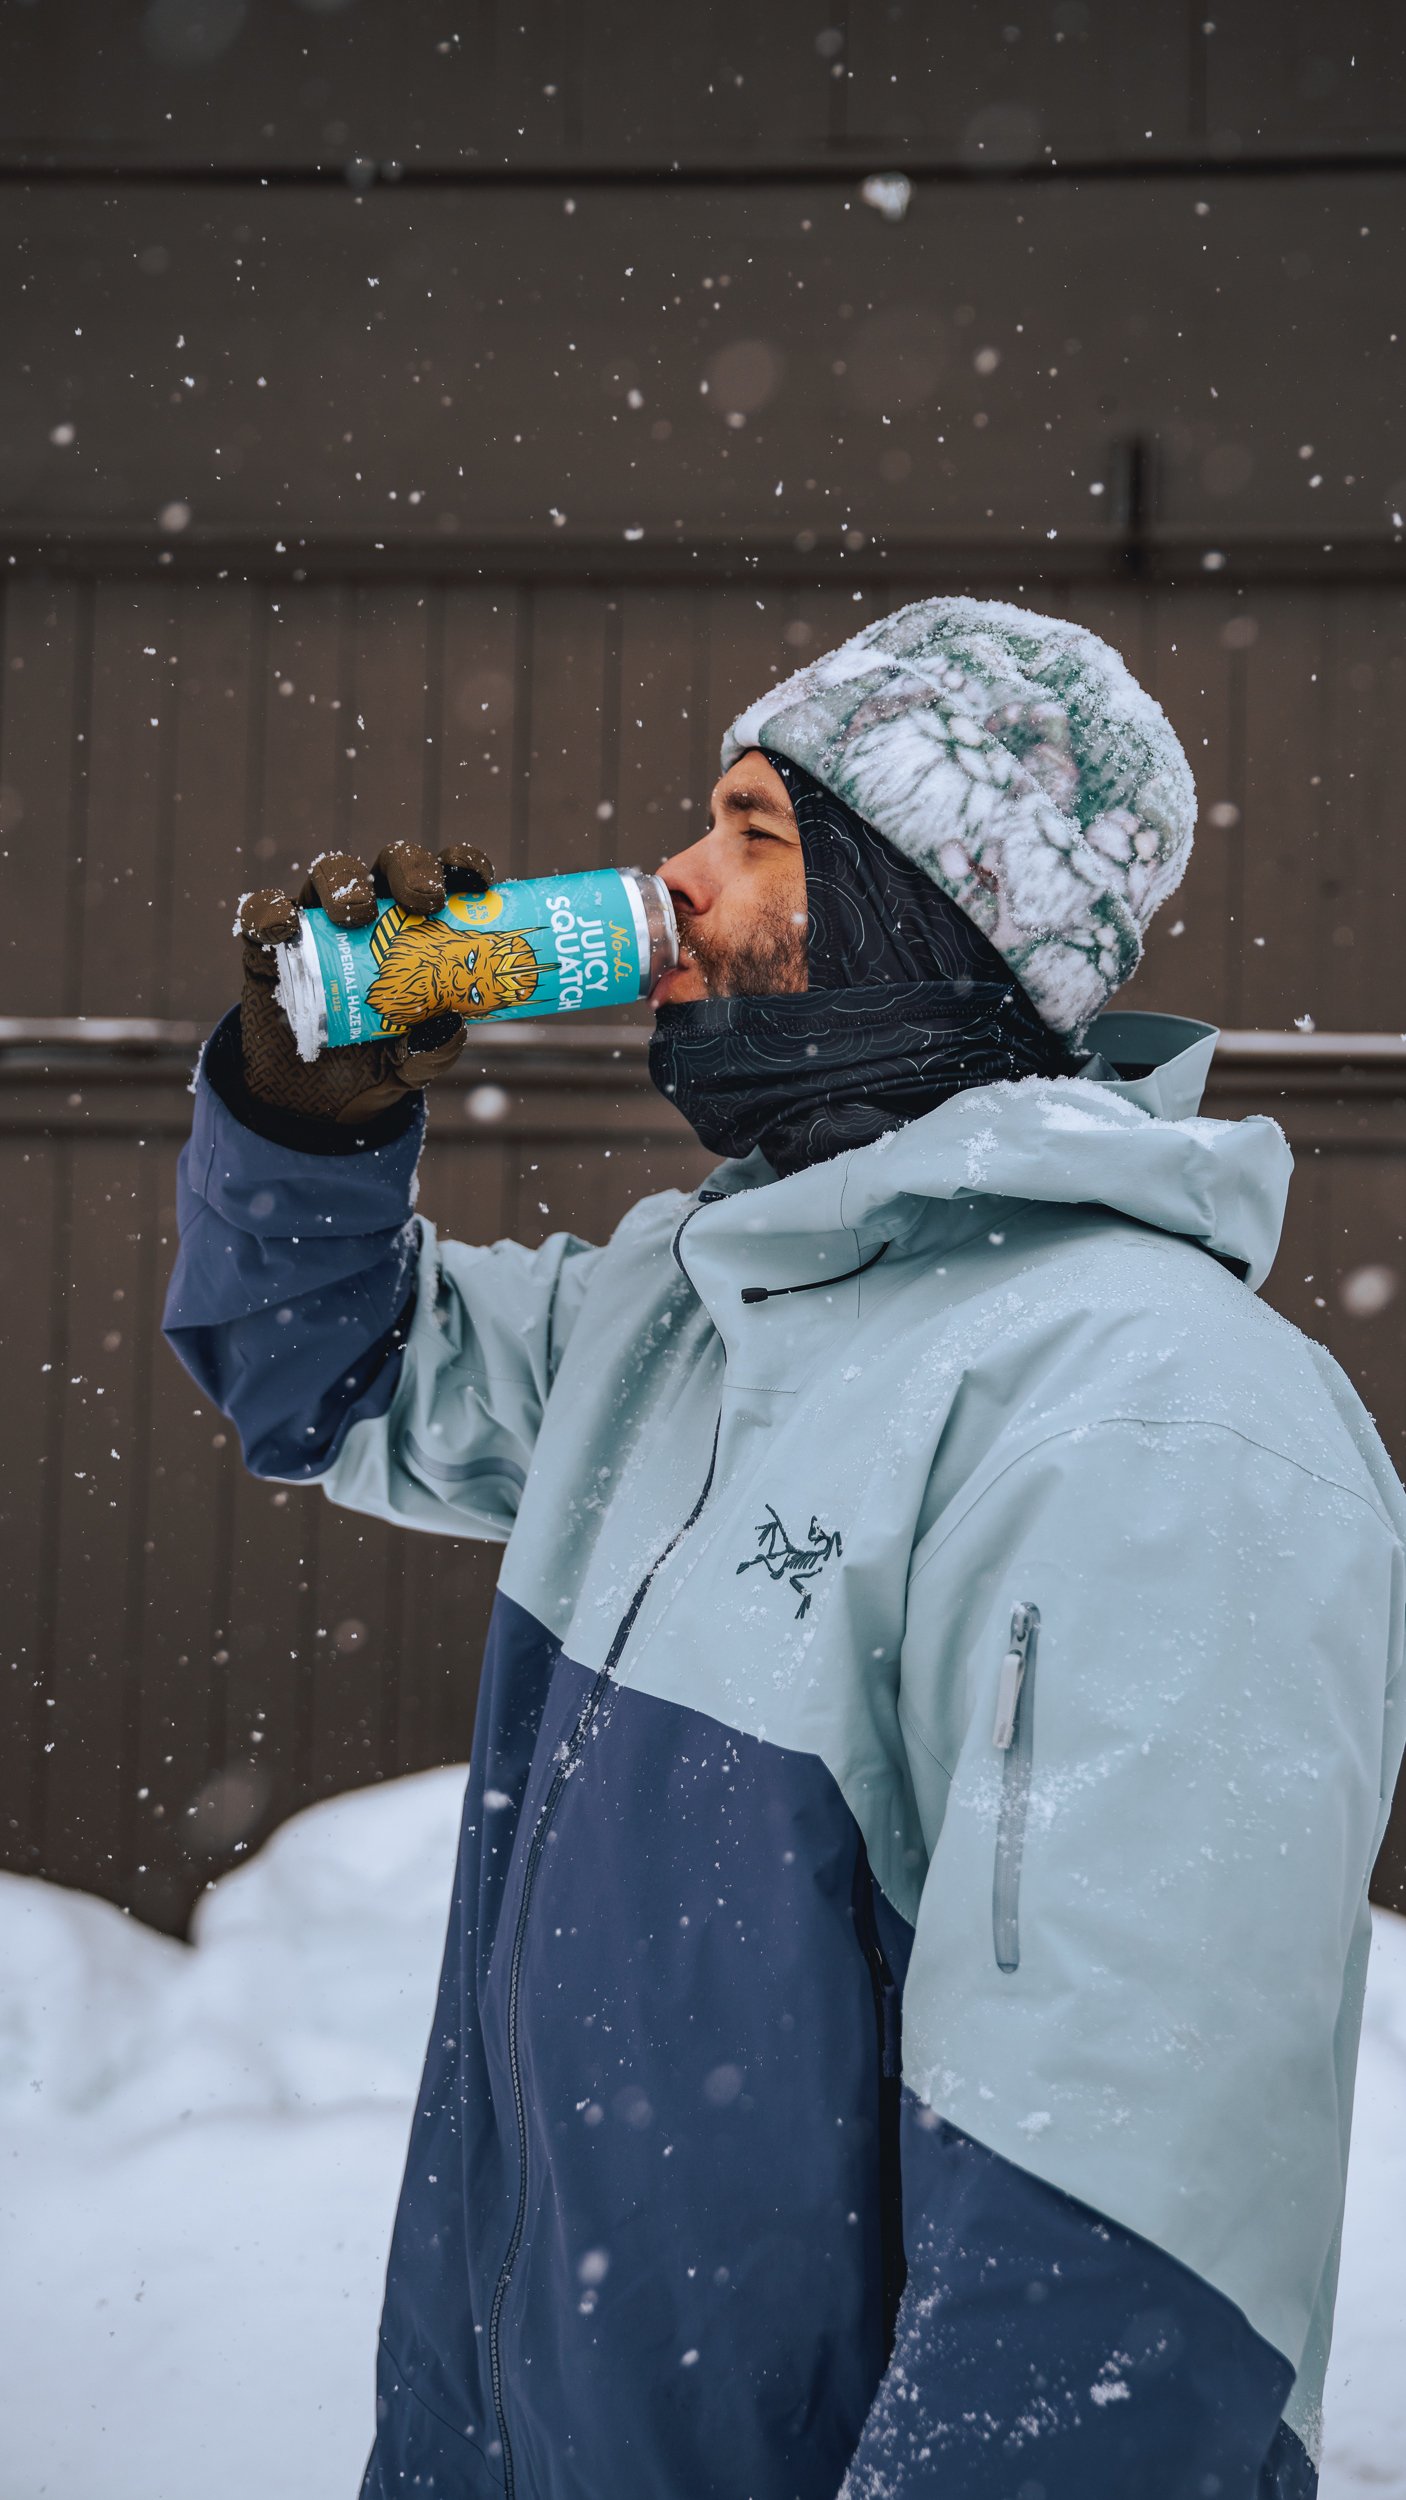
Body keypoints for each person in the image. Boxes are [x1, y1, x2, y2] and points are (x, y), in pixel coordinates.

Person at [164, 597, 1404, 2500]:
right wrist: (302, 1117)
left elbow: (1125, 2227)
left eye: (755, 832)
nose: (675, 875)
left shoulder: (1154, 1416)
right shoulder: (693, 1305)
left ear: (933, 913)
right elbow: (318, 1375)